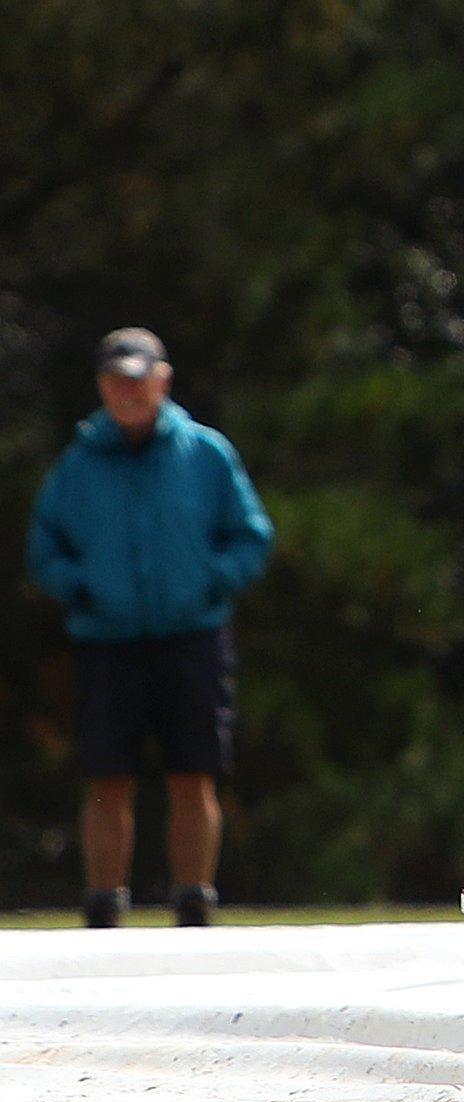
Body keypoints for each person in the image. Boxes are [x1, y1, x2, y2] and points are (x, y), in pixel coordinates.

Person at [28, 328, 274, 928]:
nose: (127, 392)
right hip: (106, 641)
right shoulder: (79, 463)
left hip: (191, 636)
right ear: (102, 388)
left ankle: (194, 899)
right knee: (106, 775)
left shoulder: (206, 453)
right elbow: (45, 545)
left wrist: (211, 581)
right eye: (116, 381)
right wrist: (79, 588)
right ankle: (104, 904)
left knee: (194, 772)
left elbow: (251, 533)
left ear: (162, 380)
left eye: (138, 380)